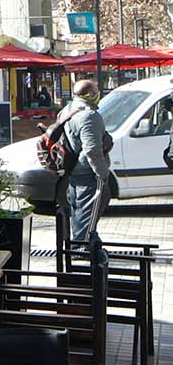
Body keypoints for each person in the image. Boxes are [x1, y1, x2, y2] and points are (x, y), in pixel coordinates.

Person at [61, 78, 113, 258]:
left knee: (79, 212)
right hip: (88, 173)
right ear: (91, 94)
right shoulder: (89, 115)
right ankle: (82, 251)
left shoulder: (67, 110)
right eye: (97, 89)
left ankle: (87, 242)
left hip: (74, 170)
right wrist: (103, 174)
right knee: (87, 213)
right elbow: (92, 150)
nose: (99, 92)